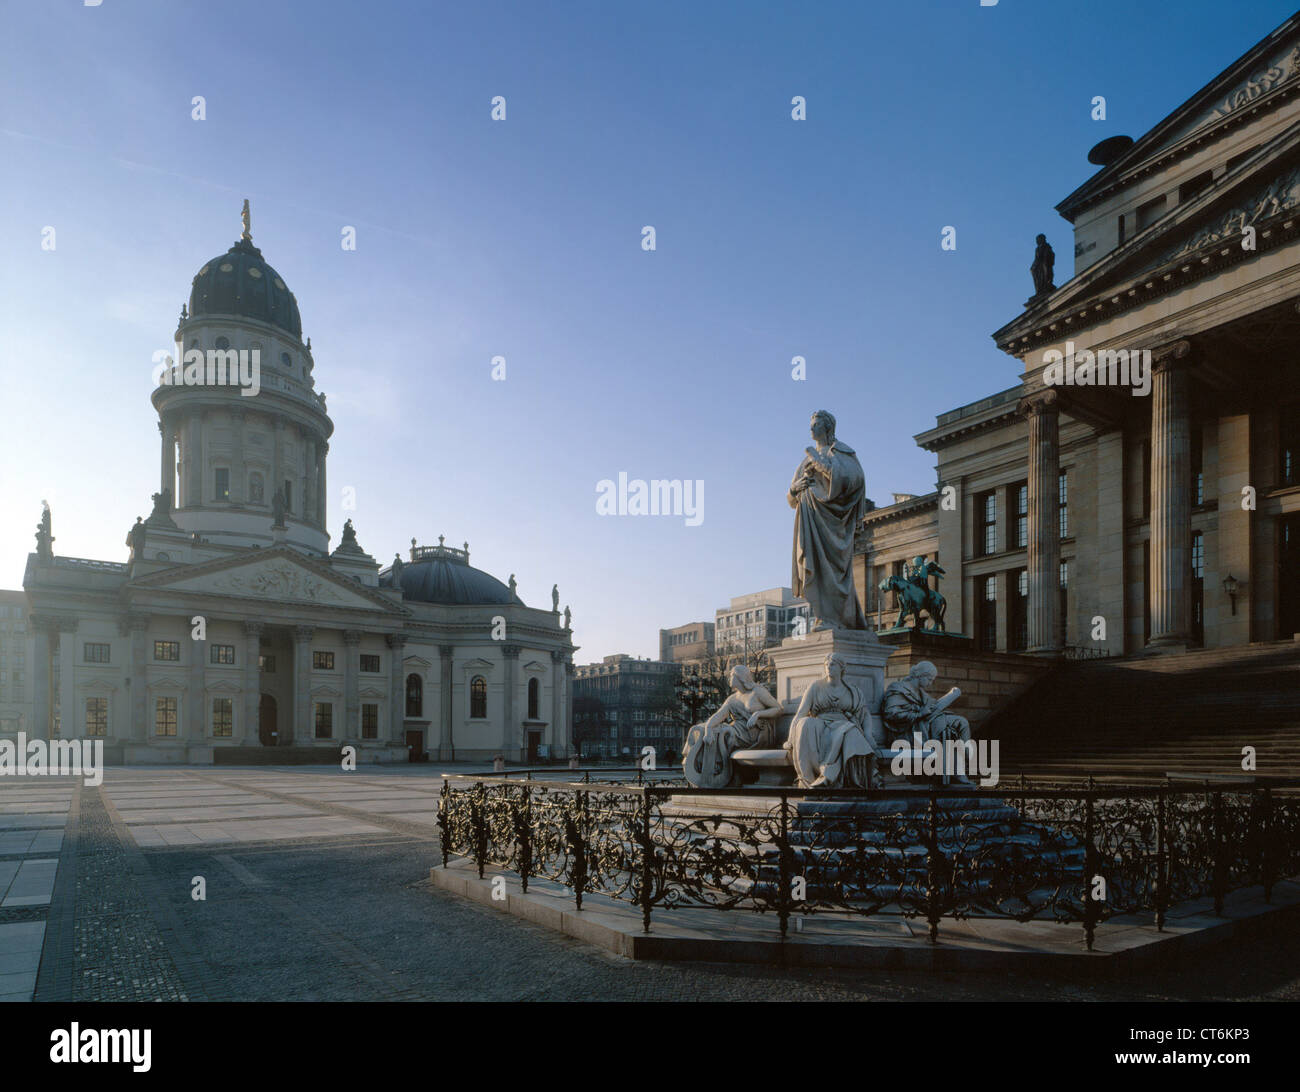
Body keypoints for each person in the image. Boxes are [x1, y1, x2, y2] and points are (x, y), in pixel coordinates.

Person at [788, 410, 869, 630]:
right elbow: (791, 497)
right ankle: (821, 615)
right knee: (811, 564)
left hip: (833, 522)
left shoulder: (841, 452)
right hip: (809, 517)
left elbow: (854, 479)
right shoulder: (806, 458)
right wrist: (795, 489)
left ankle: (836, 618)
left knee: (831, 570)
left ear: (828, 427)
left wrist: (819, 460)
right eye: (811, 424)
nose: (811, 429)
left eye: (815, 424)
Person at [681, 665, 783, 789]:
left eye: (731, 675)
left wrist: (758, 714)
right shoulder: (732, 699)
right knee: (700, 729)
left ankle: (720, 772)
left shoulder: (757, 691)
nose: (729, 678)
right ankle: (699, 768)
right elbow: (718, 716)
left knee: (724, 732)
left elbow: (778, 709)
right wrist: (708, 729)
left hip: (757, 732)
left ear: (740, 677)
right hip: (736, 729)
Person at [785, 652, 874, 788]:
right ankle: (810, 778)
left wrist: (868, 734)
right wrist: (791, 738)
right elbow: (801, 713)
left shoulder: (853, 691)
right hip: (820, 723)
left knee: (852, 734)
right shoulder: (816, 687)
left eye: (832, 664)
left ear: (842, 668)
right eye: (826, 664)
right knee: (804, 723)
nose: (828, 667)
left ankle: (834, 779)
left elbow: (864, 714)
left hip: (844, 725)